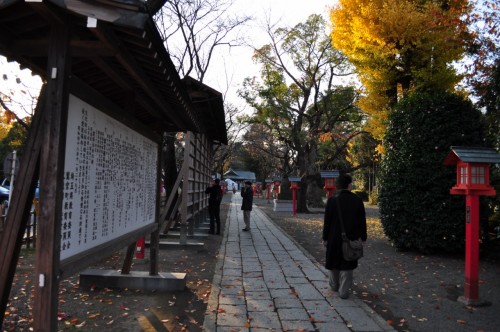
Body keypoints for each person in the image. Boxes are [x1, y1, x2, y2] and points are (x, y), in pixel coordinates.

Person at [322, 173, 367, 299]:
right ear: (349, 185)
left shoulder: (332, 200)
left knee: (334, 262)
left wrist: (325, 238)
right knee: (347, 263)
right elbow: (361, 221)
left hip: (334, 237)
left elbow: (327, 222)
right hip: (351, 237)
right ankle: (343, 291)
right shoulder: (357, 200)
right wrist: (363, 238)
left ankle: (334, 285)